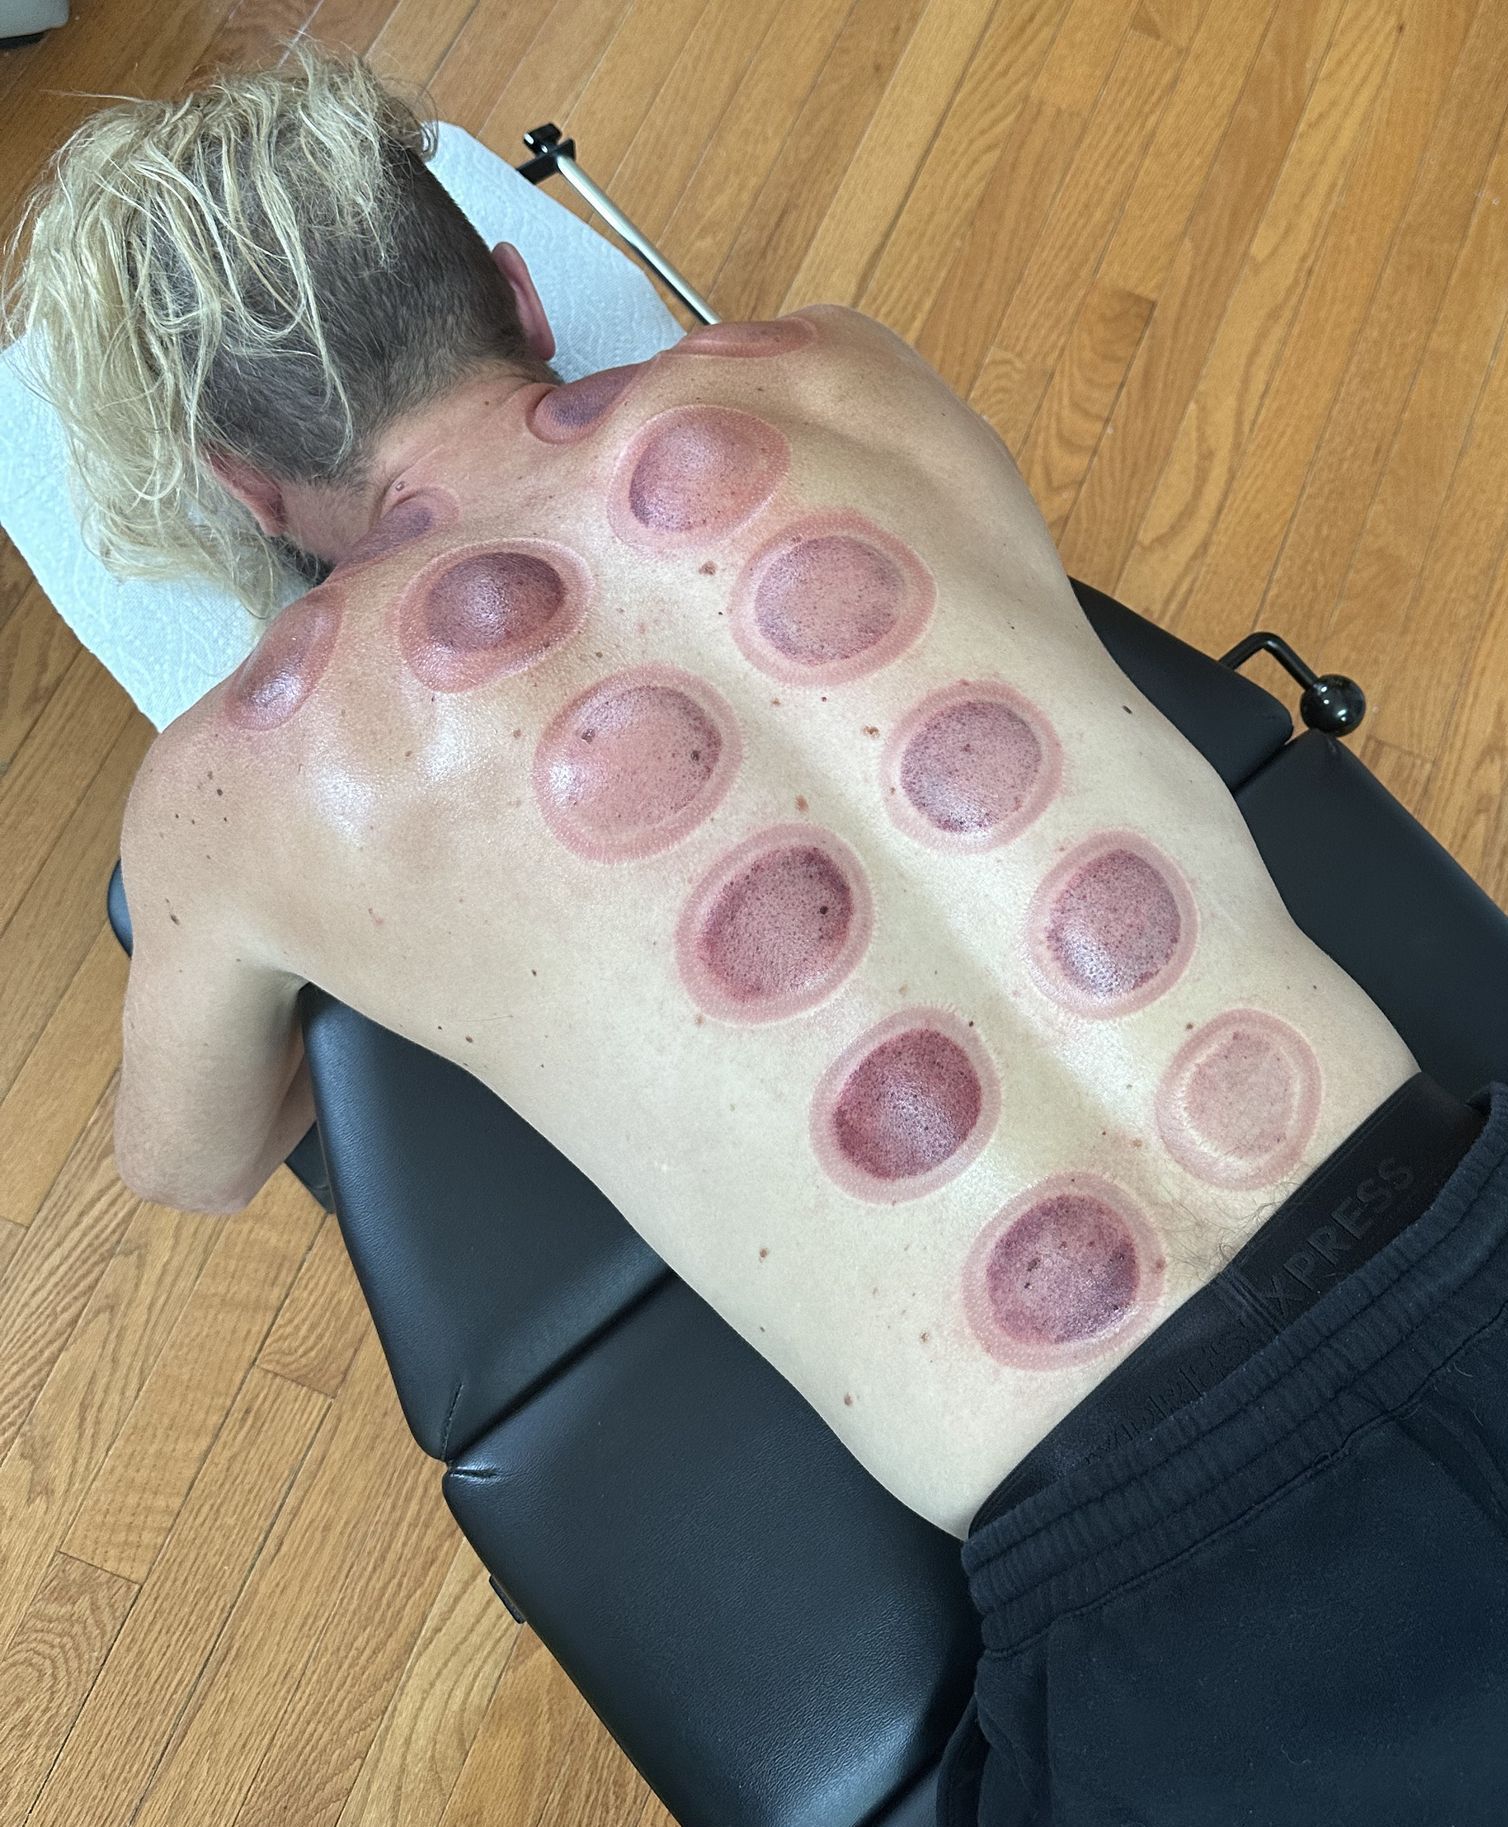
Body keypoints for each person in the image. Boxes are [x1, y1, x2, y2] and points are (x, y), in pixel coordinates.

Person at [10, 42, 1507, 1825]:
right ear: (513, 291)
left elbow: (183, 1160)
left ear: (245, 496)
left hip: (1185, 1590)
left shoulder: (244, 783)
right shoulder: (841, 372)